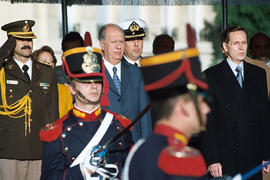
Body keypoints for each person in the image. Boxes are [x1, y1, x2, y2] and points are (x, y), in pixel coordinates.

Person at [40, 46, 134, 179]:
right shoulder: (57, 132)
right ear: (72, 88)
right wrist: (82, 171)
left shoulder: (119, 126)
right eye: (86, 82)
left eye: (97, 80)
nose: (94, 86)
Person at [123, 48, 210, 180]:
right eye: (201, 101)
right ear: (183, 107)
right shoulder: (182, 159)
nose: (206, 109)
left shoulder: (139, 150)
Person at [201, 26, 270, 180]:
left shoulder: (258, 74)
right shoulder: (210, 76)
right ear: (225, 47)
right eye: (236, 43)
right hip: (225, 159)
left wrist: (267, 155)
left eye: (244, 43)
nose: (241, 47)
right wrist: (212, 159)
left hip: (253, 158)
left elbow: (264, 117)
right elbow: (207, 123)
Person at [0, 20, 59, 180]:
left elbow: (52, 113)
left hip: (39, 149)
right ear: (11, 42)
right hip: (9, 149)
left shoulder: (47, 72)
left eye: (29, 39)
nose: (27, 44)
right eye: (21, 39)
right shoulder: (3, 70)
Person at [98, 23, 152, 142]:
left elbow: (144, 117)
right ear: (102, 44)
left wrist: (147, 147)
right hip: (104, 145)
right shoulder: (94, 74)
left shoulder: (137, 73)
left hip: (132, 144)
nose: (118, 47)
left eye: (121, 42)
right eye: (114, 42)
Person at [32, 45, 73, 118]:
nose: (49, 64)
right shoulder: (29, 90)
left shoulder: (65, 90)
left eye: (51, 61)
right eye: (44, 61)